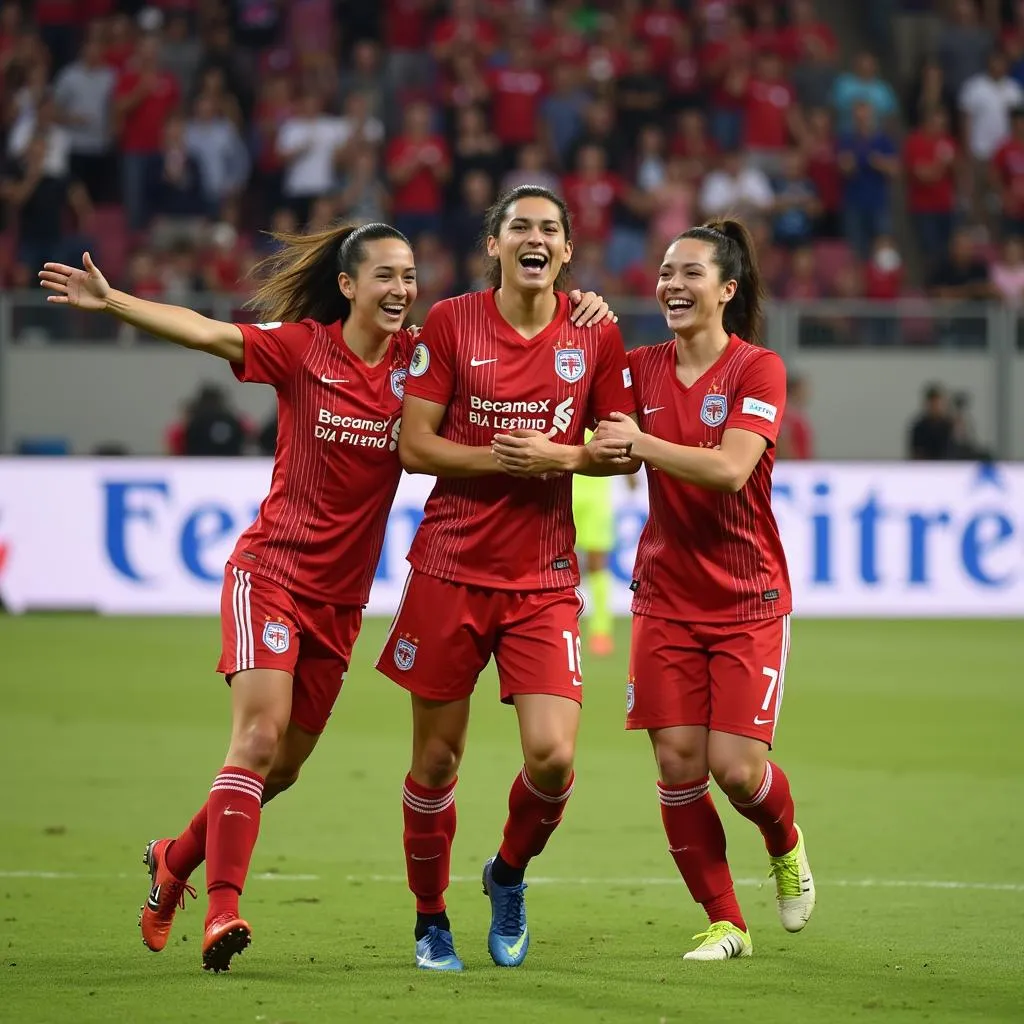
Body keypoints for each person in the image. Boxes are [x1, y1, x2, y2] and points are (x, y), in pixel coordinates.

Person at [39, 225, 614, 975]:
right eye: (385, 275)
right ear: (348, 285)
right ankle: (222, 911)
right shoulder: (302, 348)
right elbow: (210, 332)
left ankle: (173, 858)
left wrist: (583, 308)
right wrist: (116, 302)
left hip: (340, 603)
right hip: (270, 574)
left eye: (410, 275)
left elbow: (510, 347)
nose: (401, 289)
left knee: (282, 767)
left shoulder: (420, 359)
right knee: (256, 739)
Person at [375, 185, 636, 972]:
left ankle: (507, 875)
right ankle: (430, 919)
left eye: (549, 229)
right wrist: (503, 457)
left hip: (545, 574)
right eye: (519, 225)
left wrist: (557, 457)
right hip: (450, 567)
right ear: (494, 244)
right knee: (437, 763)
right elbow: (414, 446)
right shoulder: (452, 322)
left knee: (554, 758)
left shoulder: (596, 336)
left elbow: (621, 444)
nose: (535, 236)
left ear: (565, 251)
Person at [592, 219, 815, 961]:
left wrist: (641, 443)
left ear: (727, 289)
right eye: (664, 272)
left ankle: (784, 841)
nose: (672, 285)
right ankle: (726, 922)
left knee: (737, 769)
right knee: (678, 763)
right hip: (664, 596)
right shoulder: (638, 366)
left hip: (748, 598)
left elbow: (729, 469)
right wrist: (582, 319)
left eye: (690, 273)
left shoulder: (758, 369)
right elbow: (607, 445)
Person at [571, 433, 636, 656]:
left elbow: (618, 437)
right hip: (563, 489)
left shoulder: (602, 409)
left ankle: (600, 631)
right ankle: (558, 623)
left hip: (595, 495)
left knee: (597, 563)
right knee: (553, 559)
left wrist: (630, 469)